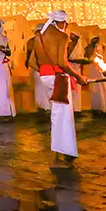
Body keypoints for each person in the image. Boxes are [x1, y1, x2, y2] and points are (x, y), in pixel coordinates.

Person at [33, 11, 88, 168]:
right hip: (58, 78)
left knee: (57, 114)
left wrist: (46, 72)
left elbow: (32, 61)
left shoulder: (38, 36)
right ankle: (57, 158)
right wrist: (78, 76)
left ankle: (65, 152)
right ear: (63, 22)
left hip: (45, 77)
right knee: (61, 116)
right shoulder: (62, 37)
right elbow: (62, 63)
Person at [85, 37, 106, 114]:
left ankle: (104, 108)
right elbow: (92, 59)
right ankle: (98, 108)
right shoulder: (92, 51)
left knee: (102, 88)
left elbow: (103, 59)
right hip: (94, 71)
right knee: (96, 89)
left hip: (99, 71)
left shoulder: (99, 52)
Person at [27, 25, 51, 112]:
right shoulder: (34, 42)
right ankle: (43, 111)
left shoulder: (47, 43)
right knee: (41, 93)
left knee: (44, 93)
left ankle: (44, 110)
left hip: (45, 71)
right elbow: (30, 61)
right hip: (40, 71)